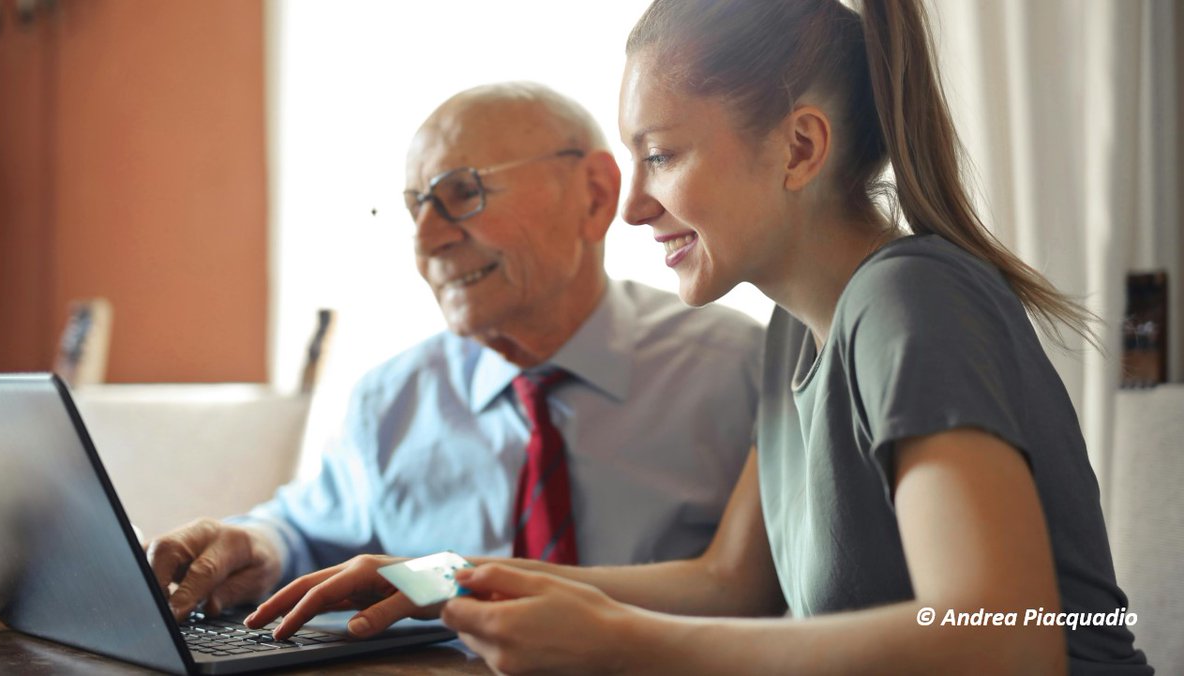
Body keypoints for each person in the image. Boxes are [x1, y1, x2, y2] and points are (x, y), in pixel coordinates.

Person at [246, 1, 1154, 674]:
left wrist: (617, 642)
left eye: (663, 155)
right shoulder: (794, 336)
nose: (634, 206)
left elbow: (1004, 637)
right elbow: (732, 583)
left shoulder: (911, 301)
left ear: (800, 149)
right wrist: (442, 578)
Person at [146, 82, 764, 625]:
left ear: (596, 195)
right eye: (416, 207)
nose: (427, 241)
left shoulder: (738, 368)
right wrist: (256, 545)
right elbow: (306, 531)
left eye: (461, 193)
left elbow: (761, 593)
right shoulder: (392, 397)